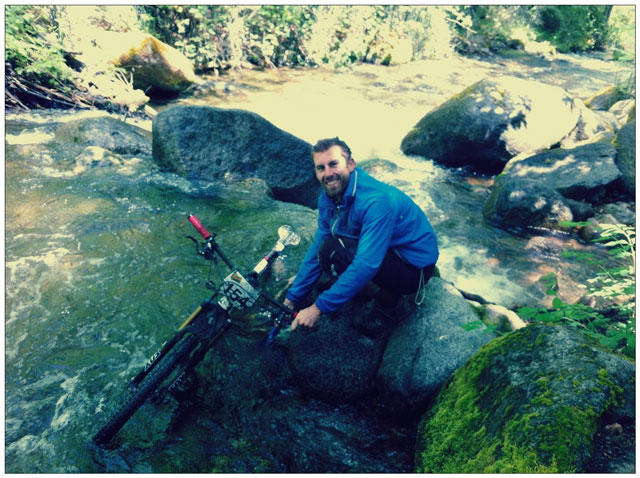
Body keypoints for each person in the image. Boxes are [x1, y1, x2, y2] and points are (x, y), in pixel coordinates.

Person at [284, 137, 438, 330]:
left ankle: (387, 301)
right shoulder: (328, 198)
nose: (328, 174)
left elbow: (366, 264)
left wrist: (318, 308)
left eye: (333, 164)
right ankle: (359, 288)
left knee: (337, 251)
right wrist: (293, 297)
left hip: (414, 269)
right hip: (387, 250)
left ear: (350, 164)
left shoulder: (376, 202)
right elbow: (319, 244)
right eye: (320, 168)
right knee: (326, 251)